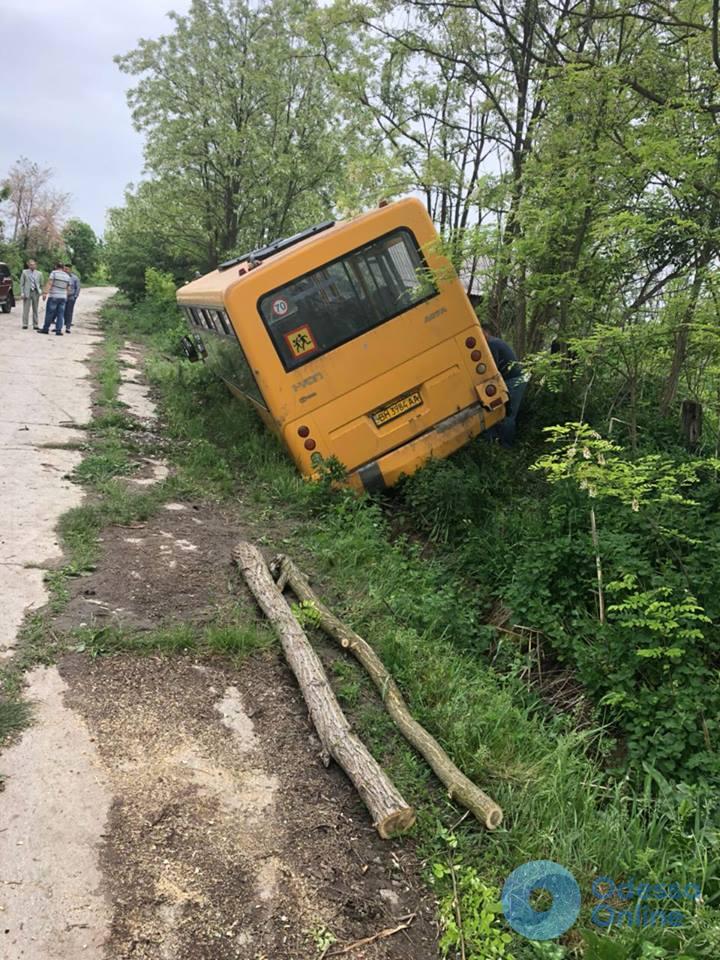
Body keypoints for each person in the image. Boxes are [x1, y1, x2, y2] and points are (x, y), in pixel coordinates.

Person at [481, 322, 528, 448]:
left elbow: (492, 369)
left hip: (513, 381)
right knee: (496, 412)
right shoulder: (492, 343)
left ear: (485, 333)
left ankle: (506, 447)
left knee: (507, 413)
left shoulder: (491, 344)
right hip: (509, 379)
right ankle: (496, 444)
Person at [37, 261, 72, 336]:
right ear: (63, 268)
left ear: (56, 267)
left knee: (50, 313)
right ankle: (58, 330)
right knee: (60, 314)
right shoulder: (67, 276)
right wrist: (66, 296)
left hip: (54, 296)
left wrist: (45, 293)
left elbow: (50, 283)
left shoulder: (54, 273)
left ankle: (46, 329)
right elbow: (68, 288)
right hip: (63, 297)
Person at [19, 259, 44, 329]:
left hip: (35, 292)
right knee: (26, 309)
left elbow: (42, 284)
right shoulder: (24, 272)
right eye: (31, 265)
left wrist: (40, 291)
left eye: (33, 265)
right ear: (28, 265)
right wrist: (22, 292)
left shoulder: (39, 273)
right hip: (27, 292)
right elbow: (22, 284)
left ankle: (35, 324)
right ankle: (25, 324)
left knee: (35, 309)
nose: (32, 266)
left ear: (36, 265)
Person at [63, 262, 80, 332]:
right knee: (61, 311)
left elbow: (77, 288)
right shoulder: (62, 276)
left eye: (67, 269)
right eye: (65, 269)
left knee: (69, 312)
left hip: (71, 297)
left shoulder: (75, 278)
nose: (65, 270)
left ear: (70, 270)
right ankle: (60, 326)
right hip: (62, 296)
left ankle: (68, 327)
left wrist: (75, 296)